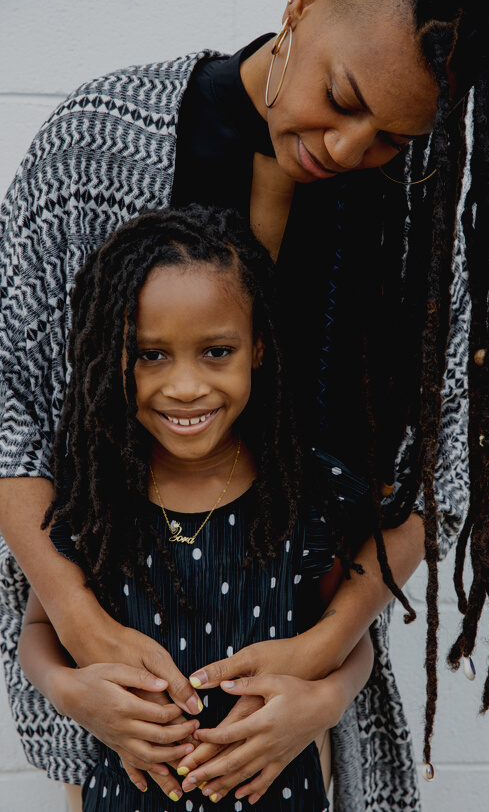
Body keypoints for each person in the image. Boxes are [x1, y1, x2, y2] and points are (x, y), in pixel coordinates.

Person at [0, 0, 489, 810]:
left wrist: (326, 662)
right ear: (303, 2)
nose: (348, 147)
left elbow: (447, 471)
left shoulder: (429, 215)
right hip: (119, 735)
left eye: (395, 137)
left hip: (302, 736)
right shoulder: (96, 145)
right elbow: (8, 403)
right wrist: (79, 628)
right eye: (344, 98)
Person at [17, 205, 376, 810]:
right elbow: (36, 629)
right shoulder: (95, 498)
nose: (185, 386)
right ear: (115, 354)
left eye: (216, 352)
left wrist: (329, 700)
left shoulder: (302, 493)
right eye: (152, 355)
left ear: (258, 349)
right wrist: (68, 690)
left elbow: (349, 636)